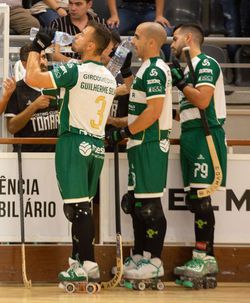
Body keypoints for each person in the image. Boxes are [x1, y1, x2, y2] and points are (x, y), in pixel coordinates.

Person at [26, 21, 116, 284]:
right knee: (82, 207)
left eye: (82, 34)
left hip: (74, 141)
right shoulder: (109, 77)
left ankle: (88, 263)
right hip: (96, 145)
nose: (75, 36)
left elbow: (32, 78)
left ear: (90, 46)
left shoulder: (76, 69)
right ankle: (78, 260)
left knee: (78, 209)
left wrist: (36, 47)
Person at [106, 22, 172, 284]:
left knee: (149, 206)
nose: (133, 41)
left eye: (137, 36)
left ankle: (154, 261)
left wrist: (126, 133)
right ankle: (140, 255)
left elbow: (153, 112)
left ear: (152, 43)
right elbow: (138, 111)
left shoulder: (155, 70)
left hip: (150, 144)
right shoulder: (145, 69)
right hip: (139, 142)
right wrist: (117, 125)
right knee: (136, 204)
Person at [169, 23, 227, 287]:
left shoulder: (206, 63)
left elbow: (203, 101)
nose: (172, 43)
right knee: (195, 199)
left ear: (189, 38)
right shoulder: (186, 69)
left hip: (206, 135)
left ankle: (205, 257)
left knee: (202, 198)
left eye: (175, 38)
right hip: (190, 134)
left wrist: (180, 83)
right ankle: (202, 256)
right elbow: (185, 112)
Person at [5, 43, 59, 152]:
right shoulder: (17, 89)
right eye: (37, 59)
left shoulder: (58, 85)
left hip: (56, 155)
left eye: (44, 57)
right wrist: (34, 106)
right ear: (25, 64)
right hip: (27, 156)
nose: (42, 62)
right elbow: (11, 127)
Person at [106, 0, 172, 60]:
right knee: (111, 31)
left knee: (165, 32)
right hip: (127, 8)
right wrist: (114, 15)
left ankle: (165, 65)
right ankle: (111, 64)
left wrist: (159, 15)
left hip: (150, 9)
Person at [102, 29, 133, 152]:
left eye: (104, 45)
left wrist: (112, 121)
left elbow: (136, 116)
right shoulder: (86, 71)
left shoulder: (127, 78)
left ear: (115, 48)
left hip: (118, 142)